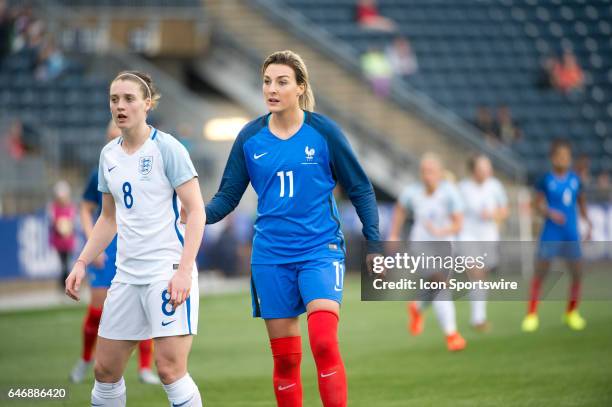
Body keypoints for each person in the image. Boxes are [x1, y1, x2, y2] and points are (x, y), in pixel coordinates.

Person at [205, 50, 380, 407]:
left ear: (300, 87)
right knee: (285, 360)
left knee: (324, 341)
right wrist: (193, 214)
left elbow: (361, 187)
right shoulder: (250, 138)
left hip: (320, 249)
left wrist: (374, 239)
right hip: (270, 257)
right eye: (267, 81)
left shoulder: (323, 132)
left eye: (282, 81)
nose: (272, 88)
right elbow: (226, 198)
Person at [65, 70, 205, 407]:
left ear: (147, 103)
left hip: (165, 272)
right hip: (126, 276)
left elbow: (197, 211)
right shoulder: (108, 156)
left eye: (129, 98)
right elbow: (107, 218)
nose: (120, 105)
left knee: (170, 370)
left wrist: (184, 271)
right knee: (105, 370)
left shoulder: (167, 148)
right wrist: (82, 262)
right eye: (114, 99)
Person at [69, 120, 160, 385]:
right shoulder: (103, 166)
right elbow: (87, 208)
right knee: (97, 309)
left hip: (136, 245)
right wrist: (91, 246)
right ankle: (86, 359)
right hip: (107, 247)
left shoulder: (149, 164)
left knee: (146, 307)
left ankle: (144, 368)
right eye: (113, 134)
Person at [388, 153, 466, 351]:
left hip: (445, 243)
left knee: (436, 285)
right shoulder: (412, 192)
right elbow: (400, 210)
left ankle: (417, 306)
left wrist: (442, 231)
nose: (426, 175)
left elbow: (458, 223)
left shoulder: (450, 193)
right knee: (441, 283)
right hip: (420, 245)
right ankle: (452, 334)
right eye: (423, 171)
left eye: (430, 171)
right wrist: (394, 234)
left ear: (440, 173)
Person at [522, 140, 591, 332]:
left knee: (577, 272)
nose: (564, 159)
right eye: (560, 156)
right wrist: (549, 213)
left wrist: (588, 223)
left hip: (571, 232)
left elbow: (582, 202)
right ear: (553, 158)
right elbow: (536, 204)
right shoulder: (545, 180)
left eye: (567, 156)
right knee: (541, 272)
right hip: (551, 231)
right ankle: (531, 314)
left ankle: (571, 313)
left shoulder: (576, 180)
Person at [458, 155, 509, 331]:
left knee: (481, 277)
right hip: (467, 236)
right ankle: (478, 319)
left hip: (488, 236)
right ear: (474, 170)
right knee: (476, 273)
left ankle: (477, 313)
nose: (487, 172)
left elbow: (504, 210)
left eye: (488, 168)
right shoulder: (463, 188)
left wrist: (495, 215)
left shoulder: (495, 186)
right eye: (482, 169)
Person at [49, 180, 76, 290]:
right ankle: (64, 286)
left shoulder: (71, 207)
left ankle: (67, 285)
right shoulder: (54, 208)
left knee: (67, 264)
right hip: (59, 242)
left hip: (68, 241)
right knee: (63, 265)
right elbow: (55, 223)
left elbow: (71, 223)